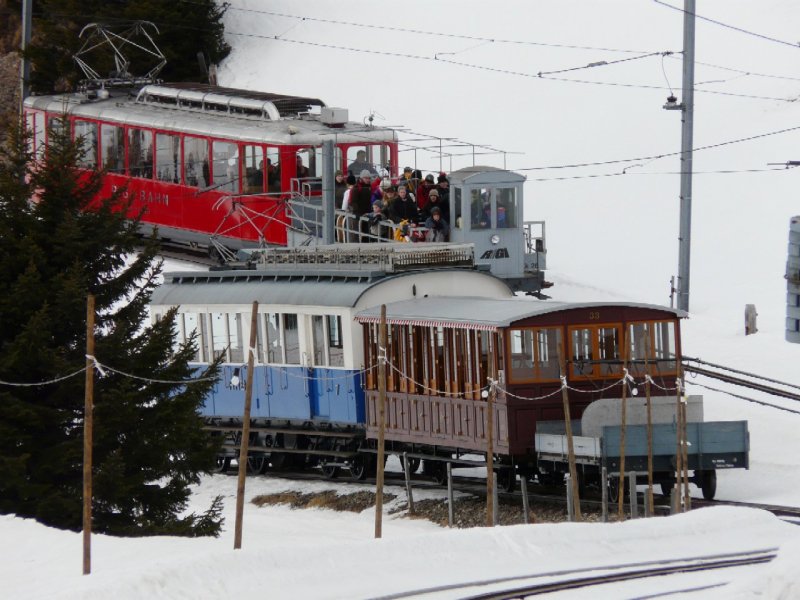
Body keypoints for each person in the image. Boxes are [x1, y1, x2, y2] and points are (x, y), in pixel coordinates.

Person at [350, 170, 374, 240]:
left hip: (367, 213)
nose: (367, 180)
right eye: (366, 178)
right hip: (358, 214)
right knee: (357, 233)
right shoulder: (356, 188)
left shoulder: (369, 187)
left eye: (369, 178)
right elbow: (353, 201)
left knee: (366, 233)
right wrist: (357, 212)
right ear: (361, 178)